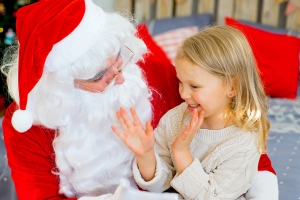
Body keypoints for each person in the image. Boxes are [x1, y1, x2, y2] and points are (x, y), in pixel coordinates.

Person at [0, 0, 277, 200]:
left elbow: (234, 132)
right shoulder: (25, 125)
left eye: (119, 58)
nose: (120, 77)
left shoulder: (149, 64)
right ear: (62, 86)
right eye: (100, 76)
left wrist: (262, 188)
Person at [112, 25, 279, 200]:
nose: (183, 94)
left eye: (194, 86)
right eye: (180, 82)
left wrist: (181, 152)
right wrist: (146, 156)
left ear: (232, 87)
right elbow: (160, 186)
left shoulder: (243, 142)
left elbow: (213, 197)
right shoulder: (175, 120)